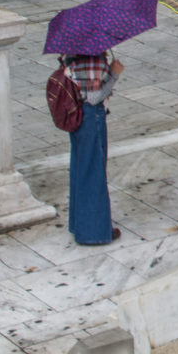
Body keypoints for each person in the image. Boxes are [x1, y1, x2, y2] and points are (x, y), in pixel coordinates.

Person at [65, 51, 124, 245]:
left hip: (80, 117)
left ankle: (79, 224)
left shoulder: (75, 56)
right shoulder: (90, 60)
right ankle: (94, 232)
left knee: (81, 168)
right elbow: (94, 96)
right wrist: (114, 75)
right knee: (93, 172)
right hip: (91, 117)